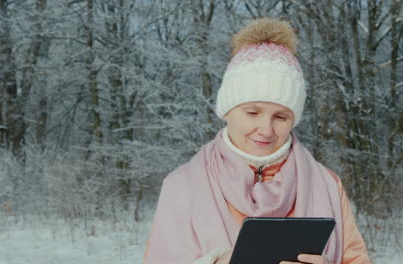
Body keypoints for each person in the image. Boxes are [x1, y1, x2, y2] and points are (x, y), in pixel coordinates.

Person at [144, 18, 371, 264]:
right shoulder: (181, 185)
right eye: (252, 112)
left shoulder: (328, 184)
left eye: (281, 116)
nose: (266, 130)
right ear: (227, 110)